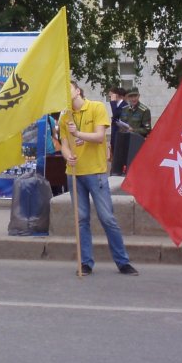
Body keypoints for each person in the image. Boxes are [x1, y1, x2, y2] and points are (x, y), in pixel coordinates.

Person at [54, 81, 139, 276]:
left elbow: (100, 137)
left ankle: (122, 261)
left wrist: (79, 133)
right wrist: (68, 156)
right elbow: (65, 144)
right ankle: (85, 262)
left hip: (96, 172)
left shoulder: (96, 107)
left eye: (69, 87)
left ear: (77, 90)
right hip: (74, 174)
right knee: (81, 219)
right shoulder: (65, 117)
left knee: (107, 218)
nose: (66, 92)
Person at [117, 89, 151, 175]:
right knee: (126, 168)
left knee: (138, 169)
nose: (133, 99)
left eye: (135, 96)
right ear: (127, 98)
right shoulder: (125, 109)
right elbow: (122, 124)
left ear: (139, 96)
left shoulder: (144, 110)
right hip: (126, 142)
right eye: (131, 97)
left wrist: (134, 130)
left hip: (137, 143)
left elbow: (147, 129)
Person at [107, 86, 126, 174]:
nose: (110, 98)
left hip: (120, 136)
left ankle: (118, 171)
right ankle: (114, 171)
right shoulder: (117, 105)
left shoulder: (124, 105)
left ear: (116, 95)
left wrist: (113, 102)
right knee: (114, 158)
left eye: (111, 96)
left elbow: (116, 113)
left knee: (120, 158)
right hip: (115, 137)